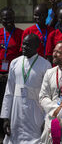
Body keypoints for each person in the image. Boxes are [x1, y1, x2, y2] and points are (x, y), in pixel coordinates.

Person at [0, 34, 51, 144]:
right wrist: (5, 117)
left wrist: (46, 119)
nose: (23, 47)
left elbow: (48, 94)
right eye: (23, 44)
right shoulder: (15, 62)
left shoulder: (45, 65)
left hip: (36, 112)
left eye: (28, 45)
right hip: (16, 111)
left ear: (37, 46)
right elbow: (9, 91)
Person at [0, 7, 23, 141]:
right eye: (4, 19)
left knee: (11, 107)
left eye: (9, 18)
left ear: (14, 18)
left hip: (13, 77)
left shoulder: (21, 33)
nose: (7, 21)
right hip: (0, 76)